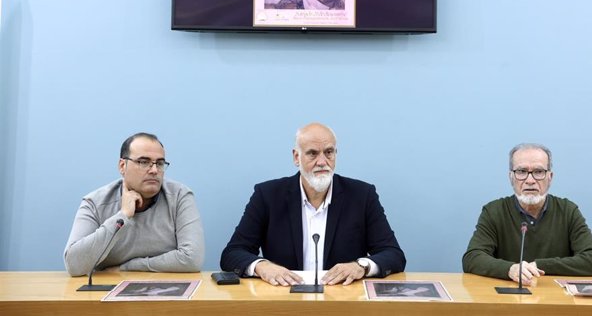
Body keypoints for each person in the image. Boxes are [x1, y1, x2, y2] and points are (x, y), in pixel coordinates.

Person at [220, 122, 405, 286]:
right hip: (284, 302)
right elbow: (233, 253)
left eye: (329, 152)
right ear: (296, 157)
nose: (322, 162)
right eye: (312, 153)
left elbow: (393, 254)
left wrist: (361, 266)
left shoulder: (362, 195)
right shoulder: (267, 195)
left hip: (343, 302)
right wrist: (262, 266)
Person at [462, 143, 592, 286]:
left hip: (555, 300)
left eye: (538, 172)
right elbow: (472, 258)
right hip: (507, 301)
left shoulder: (567, 211)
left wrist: (538, 265)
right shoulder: (494, 211)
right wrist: (510, 269)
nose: (530, 180)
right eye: (521, 172)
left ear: (550, 177)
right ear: (511, 177)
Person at [64, 132, 204, 276]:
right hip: (108, 291)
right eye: (144, 162)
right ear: (122, 166)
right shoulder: (95, 203)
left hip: (167, 290)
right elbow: (74, 265)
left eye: (160, 163)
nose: (154, 170)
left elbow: (192, 259)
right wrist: (122, 216)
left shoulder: (179, 196)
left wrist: (128, 267)